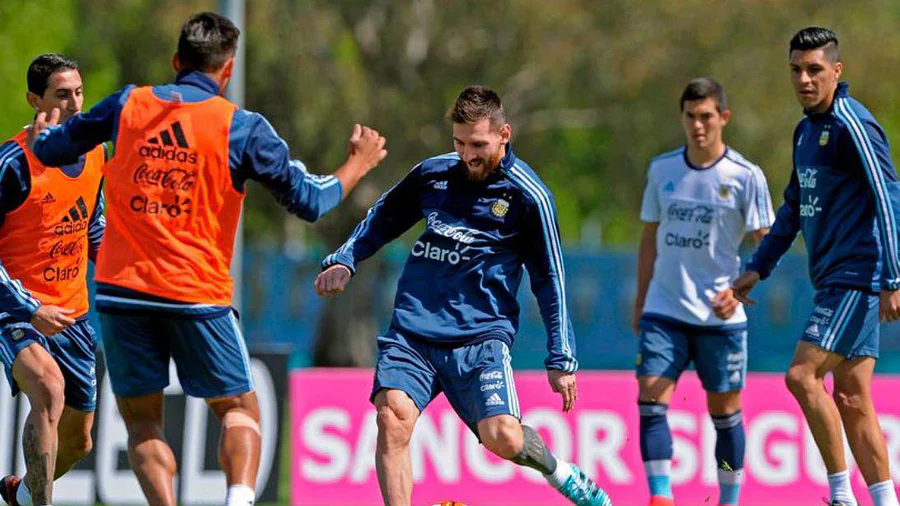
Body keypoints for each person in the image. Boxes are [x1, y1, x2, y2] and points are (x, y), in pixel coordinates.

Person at [28, 12, 386, 506]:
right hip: (194, 294)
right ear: (228, 69)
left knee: (143, 423)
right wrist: (356, 165)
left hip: (121, 292)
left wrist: (41, 135)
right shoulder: (241, 127)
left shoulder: (129, 103)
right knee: (239, 411)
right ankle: (237, 500)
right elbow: (310, 200)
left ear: (177, 61)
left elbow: (53, 149)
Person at [315, 85, 612, 506]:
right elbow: (383, 217)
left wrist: (561, 355)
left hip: (479, 339)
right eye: (459, 143)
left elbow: (550, 278)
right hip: (413, 332)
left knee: (503, 437)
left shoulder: (530, 197)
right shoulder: (433, 175)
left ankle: (559, 472)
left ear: (504, 134)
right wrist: (345, 259)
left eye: (478, 145)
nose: (467, 155)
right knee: (392, 418)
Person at [732, 27, 900, 506]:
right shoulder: (806, 130)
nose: (804, 79)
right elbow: (793, 207)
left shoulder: (852, 123)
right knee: (852, 398)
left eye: (814, 70)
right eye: (796, 70)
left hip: (857, 277)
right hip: (831, 280)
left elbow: (888, 196)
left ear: (836, 71)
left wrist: (893, 277)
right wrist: (758, 267)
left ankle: (840, 496)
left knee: (801, 376)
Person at [633, 77, 774, 506]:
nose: (698, 125)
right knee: (650, 396)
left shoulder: (746, 176)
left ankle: (728, 500)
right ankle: (661, 497)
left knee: (725, 414)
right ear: (682, 117)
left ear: (723, 118)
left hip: (720, 315)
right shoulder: (662, 170)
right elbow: (649, 239)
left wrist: (743, 286)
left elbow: (768, 244)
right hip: (664, 308)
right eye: (691, 116)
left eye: (707, 117)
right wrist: (641, 299)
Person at [0, 54, 105, 506]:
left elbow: (93, 225)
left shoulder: (96, 152)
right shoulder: (12, 163)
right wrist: (29, 306)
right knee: (48, 388)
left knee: (79, 441)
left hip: (72, 315)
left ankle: (22, 495)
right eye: (62, 94)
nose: (75, 103)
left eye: (79, 92)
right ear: (34, 100)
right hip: (16, 312)